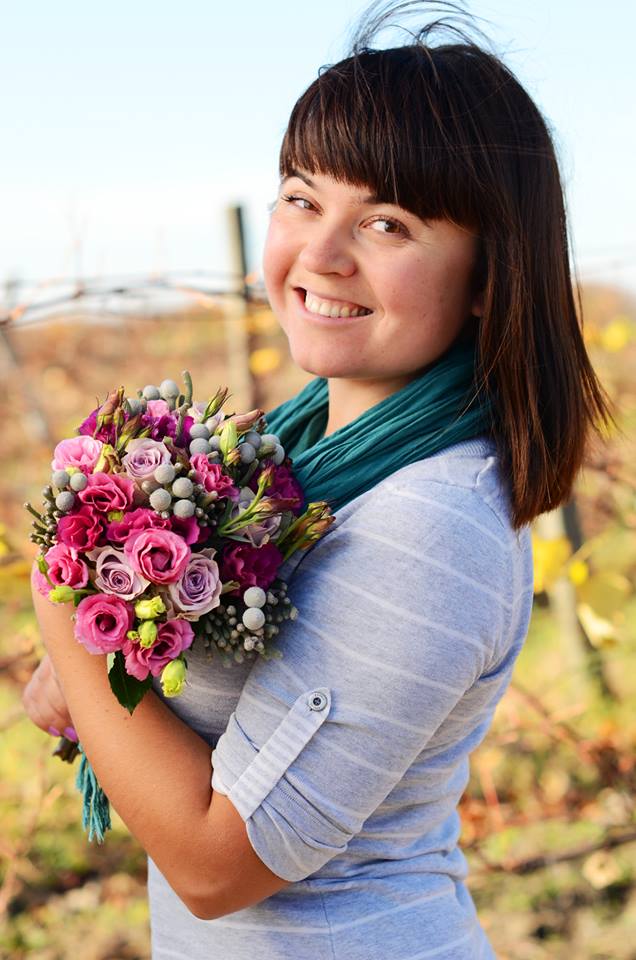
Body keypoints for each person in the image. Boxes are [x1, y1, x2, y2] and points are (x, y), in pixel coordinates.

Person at [22, 2, 612, 958]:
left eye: (387, 221)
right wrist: (116, 655)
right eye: (302, 197)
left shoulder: (431, 523)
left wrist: (67, 613)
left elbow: (220, 865)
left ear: (486, 278)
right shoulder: (292, 466)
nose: (321, 255)